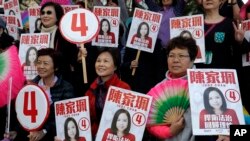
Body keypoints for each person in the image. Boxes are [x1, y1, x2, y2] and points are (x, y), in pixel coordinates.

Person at [10, 48, 75, 141]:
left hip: (54, 136)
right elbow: (23, 114)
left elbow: (66, 117)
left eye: (45, 63)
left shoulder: (66, 87)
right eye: (39, 62)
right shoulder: (30, 86)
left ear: (56, 67)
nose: (41, 66)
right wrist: (16, 131)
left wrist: (44, 131)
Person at [85, 48, 131, 139]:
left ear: (115, 67)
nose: (101, 64)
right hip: (95, 135)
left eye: (106, 61)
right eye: (98, 61)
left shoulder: (124, 88)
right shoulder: (91, 89)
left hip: (115, 136)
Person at [39, 2, 83, 96]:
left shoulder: (64, 35)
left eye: (49, 13)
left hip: (60, 82)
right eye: (43, 13)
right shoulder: (35, 33)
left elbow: (73, 59)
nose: (45, 15)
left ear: (58, 16)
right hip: (39, 80)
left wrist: (79, 57)